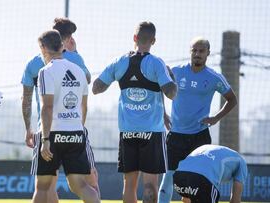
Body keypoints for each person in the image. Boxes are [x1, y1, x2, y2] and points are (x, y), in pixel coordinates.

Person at [92, 21, 177, 203]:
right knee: (150, 185)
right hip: (152, 132)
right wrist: (172, 79)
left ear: (134, 38)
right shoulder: (156, 63)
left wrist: (114, 79)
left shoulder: (119, 61)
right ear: (153, 41)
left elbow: (96, 88)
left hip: (127, 130)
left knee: (129, 184)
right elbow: (171, 93)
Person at [21, 18, 99, 202]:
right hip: (75, 131)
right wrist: (78, 128)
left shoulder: (43, 70)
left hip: (51, 132)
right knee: (80, 185)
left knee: (43, 187)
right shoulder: (79, 69)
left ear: (43, 48)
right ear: (63, 45)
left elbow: (45, 107)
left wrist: (45, 139)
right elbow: (84, 105)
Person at [158, 37, 238, 203]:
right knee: (168, 179)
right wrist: (163, 115)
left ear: (208, 53)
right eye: (194, 50)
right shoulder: (176, 71)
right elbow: (160, 88)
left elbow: (232, 99)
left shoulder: (214, 77)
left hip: (199, 137)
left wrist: (216, 117)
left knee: (195, 183)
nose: (197, 54)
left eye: (201, 51)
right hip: (176, 136)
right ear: (190, 52)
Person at [173, 144, 248, 203]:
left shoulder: (209, 148)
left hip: (178, 177)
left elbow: (186, 199)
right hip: (201, 179)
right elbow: (235, 200)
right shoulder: (242, 162)